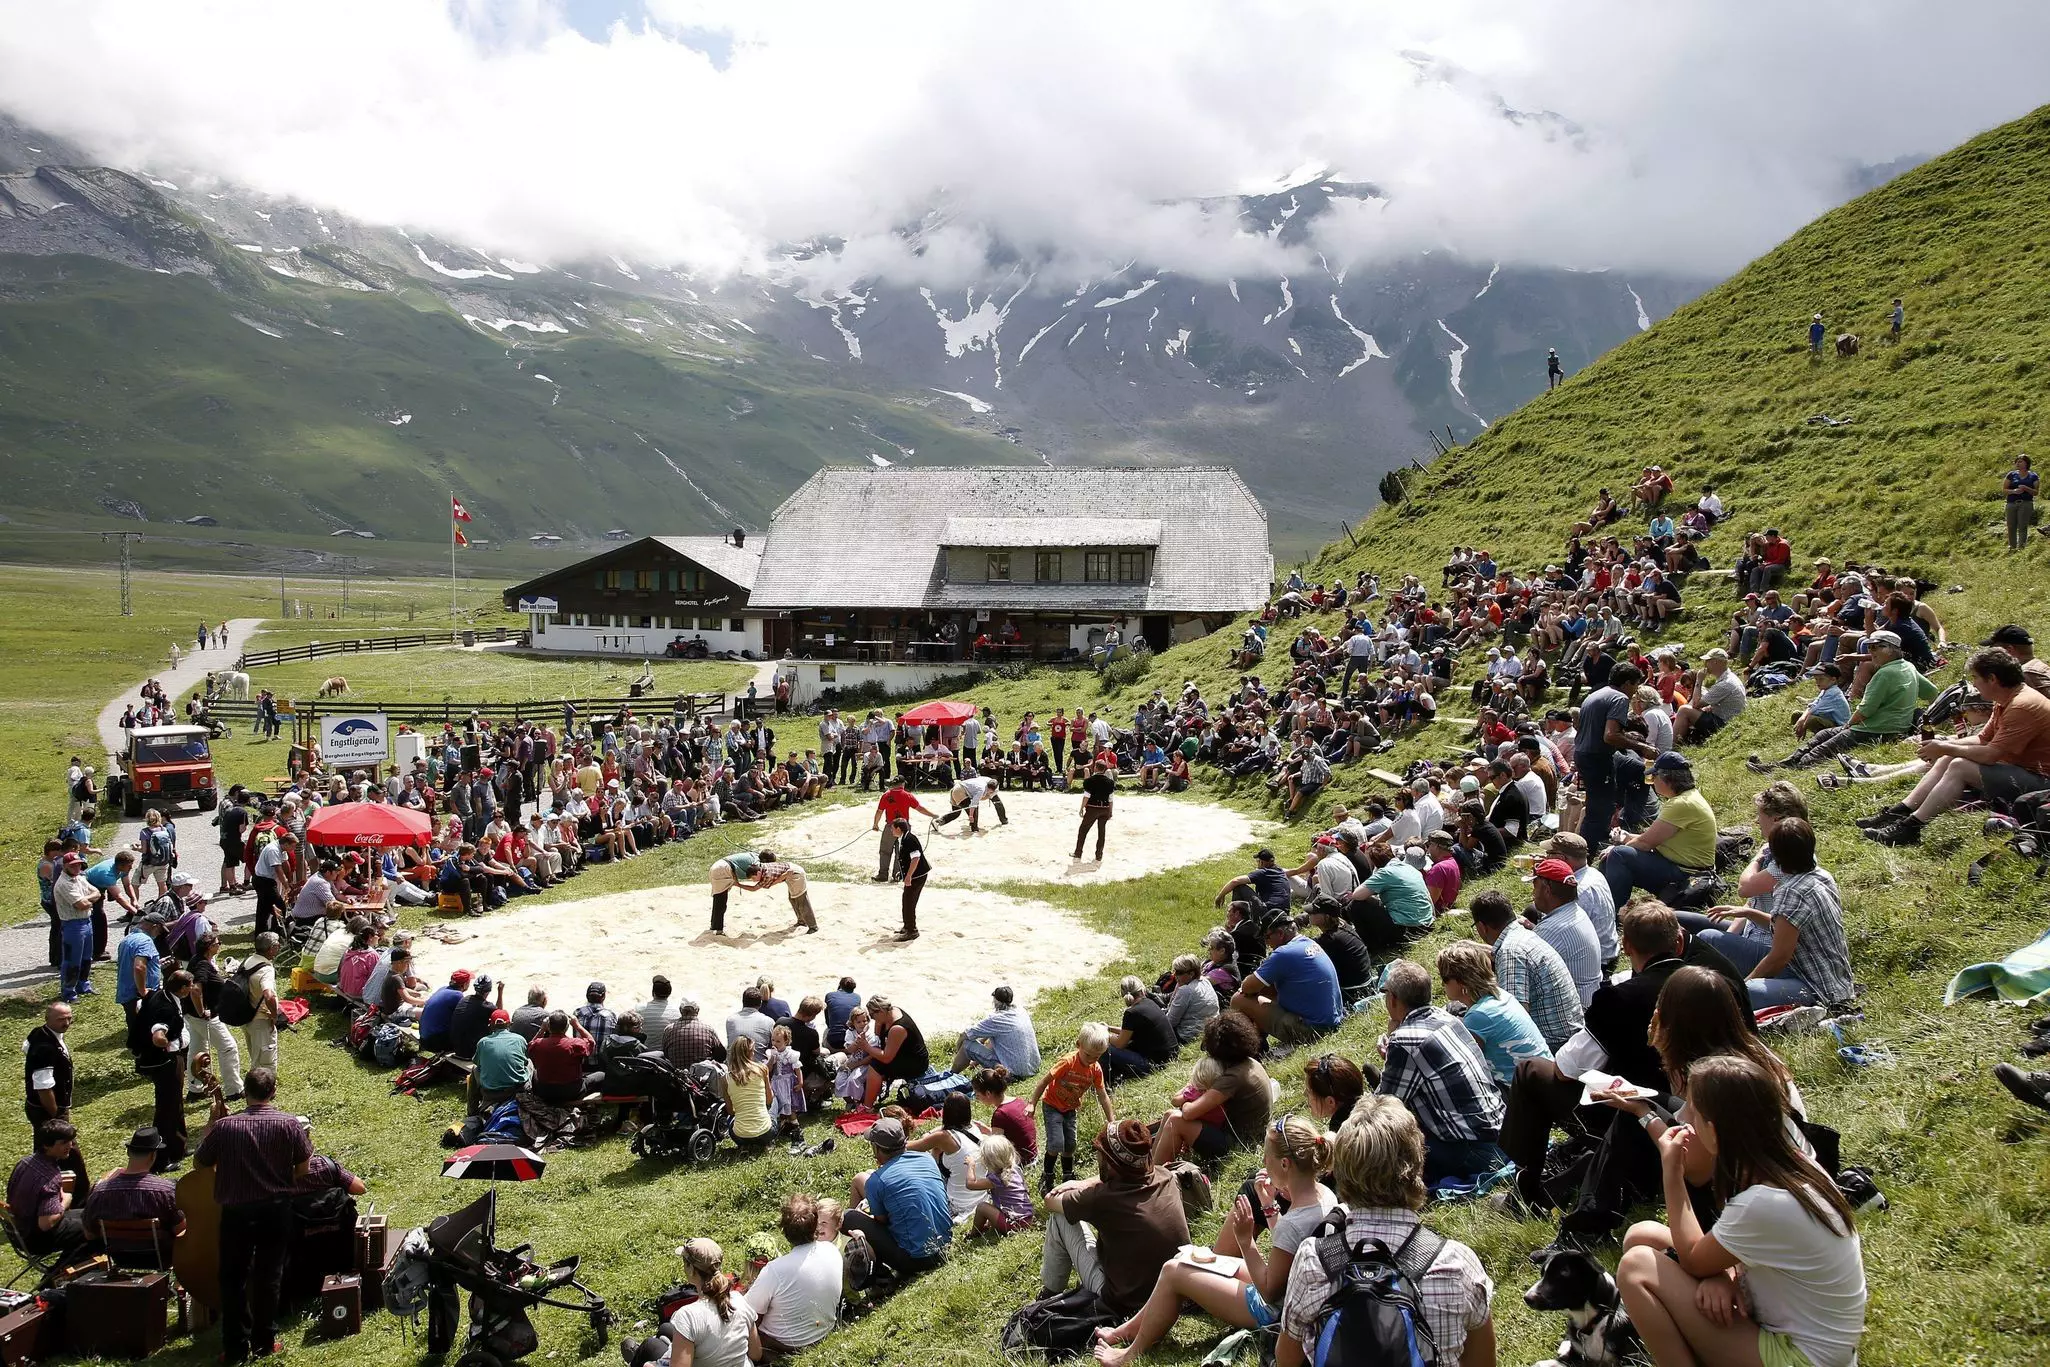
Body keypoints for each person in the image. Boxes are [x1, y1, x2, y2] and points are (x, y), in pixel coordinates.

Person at [1617, 1056, 1866, 1367]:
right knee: (1644, 1235)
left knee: (1636, 1267)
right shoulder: (1790, 1163)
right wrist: (1723, 1277)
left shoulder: (1763, 1202)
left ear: (1716, 1132)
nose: (1681, 1116)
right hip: (1820, 1343)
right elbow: (1741, 1253)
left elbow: (1694, 1260)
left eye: (1692, 1111)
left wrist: (1672, 1171)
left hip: (1802, 1358)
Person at [1090, 1116, 1336, 1365]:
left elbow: (1269, 1291)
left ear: (1285, 1164)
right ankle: (1129, 1330)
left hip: (1273, 1311)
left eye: (1267, 1155)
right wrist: (1269, 1207)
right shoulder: (1324, 1196)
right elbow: (1288, 1251)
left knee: (1174, 1271)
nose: (1263, 1161)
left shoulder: (1294, 1223)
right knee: (1185, 1257)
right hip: (1294, 1290)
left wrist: (1245, 1241)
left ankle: (1128, 1355)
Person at [1274, 1098, 1497, 1367]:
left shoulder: (1314, 1259)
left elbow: (1287, 1357)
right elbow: (1483, 1362)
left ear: (1342, 1172)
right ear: (1416, 1166)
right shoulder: (1457, 1264)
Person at [1864, 648, 2050, 845]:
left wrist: (1946, 748)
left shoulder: (2021, 706)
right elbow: (1982, 738)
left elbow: (1990, 755)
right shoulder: (2006, 699)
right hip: (2023, 771)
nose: (1974, 684)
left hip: (2042, 783)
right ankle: (1901, 811)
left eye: (1975, 677)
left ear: (1992, 679)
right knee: (1949, 757)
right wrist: (1943, 745)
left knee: (1959, 765)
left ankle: (1911, 828)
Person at [197, 1067, 313, 1363]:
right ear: (273, 1091)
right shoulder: (288, 1124)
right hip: (275, 1209)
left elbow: (200, 1164)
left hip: (236, 1211)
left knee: (232, 1278)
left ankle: (235, 1348)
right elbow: (303, 1169)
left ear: (246, 1092)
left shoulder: (225, 1126)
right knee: (269, 1275)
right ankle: (264, 1342)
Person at [1040, 1119, 1188, 1324]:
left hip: (1125, 1301)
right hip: (1175, 1291)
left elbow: (1050, 1202)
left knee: (1060, 1217)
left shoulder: (1103, 1198)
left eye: (1101, 1152)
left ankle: (1049, 1293)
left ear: (1111, 1161)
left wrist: (1081, 1185)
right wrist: (1085, 1182)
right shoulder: (1164, 1175)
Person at [1698, 819, 1856, 1009]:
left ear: (1776, 857)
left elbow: (1779, 957)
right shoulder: (1822, 876)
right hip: (1802, 967)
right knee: (1709, 938)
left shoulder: (1791, 893)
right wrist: (1748, 912)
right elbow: (1785, 929)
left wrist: (1743, 986)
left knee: (1748, 992)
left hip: (1817, 987)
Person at [1375, 960, 1506, 1182]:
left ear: (1394, 998)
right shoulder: (1447, 1017)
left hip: (1471, 1151)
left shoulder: (1404, 1040)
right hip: (1501, 1133)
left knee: (1387, 1139)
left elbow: (1385, 1105)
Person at [1148, 1011, 1271, 1165]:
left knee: (1176, 1120)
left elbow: (1188, 1113)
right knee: (1169, 1114)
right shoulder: (1248, 1062)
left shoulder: (1233, 1078)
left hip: (1239, 1144)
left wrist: (1186, 1099)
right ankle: (1150, 1165)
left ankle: (1154, 1178)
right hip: (1249, 1134)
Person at [1468, 891, 1583, 1050]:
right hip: (1570, 1034)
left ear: (1482, 927)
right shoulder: (1521, 935)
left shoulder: (1510, 952)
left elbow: (1514, 1016)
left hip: (1553, 1043)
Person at [1600, 752, 1717, 905]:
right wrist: (1627, 836)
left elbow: (1646, 843)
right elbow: (1653, 838)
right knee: (1611, 858)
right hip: (1681, 865)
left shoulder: (1681, 804)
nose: (1652, 782)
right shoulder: (1687, 798)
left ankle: (1611, 912)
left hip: (1687, 873)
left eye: (1653, 777)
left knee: (1618, 855)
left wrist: (1618, 846)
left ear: (1667, 778)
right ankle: (1606, 906)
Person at [841, 1118, 952, 1277]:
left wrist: (866, 1215)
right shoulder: (926, 1159)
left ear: (877, 1149)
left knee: (848, 1217)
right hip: (945, 1246)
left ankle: (870, 1270)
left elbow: (882, 1221)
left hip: (915, 1260)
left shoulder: (876, 1181)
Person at [622, 1237, 757, 1367]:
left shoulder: (688, 1316)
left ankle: (636, 1357)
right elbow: (756, 1354)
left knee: (649, 1346)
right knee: (665, 1328)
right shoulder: (739, 1300)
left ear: (691, 1269)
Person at [1436, 940, 1552, 1087]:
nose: (1442, 984)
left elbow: (1464, 1061)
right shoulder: (1501, 995)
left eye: (1445, 979)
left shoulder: (1478, 1016)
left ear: (1462, 982)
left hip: (1523, 1091)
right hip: (1545, 1077)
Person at [743, 1193, 841, 1356]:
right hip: (825, 1333)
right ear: (815, 1225)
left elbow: (748, 1316)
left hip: (785, 1346)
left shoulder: (774, 1270)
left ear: (785, 1231)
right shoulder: (831, 1250)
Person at [1229, 910, 1344, 1047]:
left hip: (1312, 1030)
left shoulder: (1283, 954)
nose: (1267, 943)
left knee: (1238, 999)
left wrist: (1251, 980)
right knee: (1266, 986)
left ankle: (1253, 1046)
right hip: (1331, 1021)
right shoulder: (1308, 942)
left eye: (1267, 937)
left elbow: (1248, 987)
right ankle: (1258, 1041)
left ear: (1280, 934)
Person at [1029, 1023, 1116, 1192]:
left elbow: (1102, 1095)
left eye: (1097, 1057)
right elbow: (1044, 1081)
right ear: (1079, 1045)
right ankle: (1047, 1176)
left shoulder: (1095, 1069)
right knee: (1056, 1143)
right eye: (1088, 1055)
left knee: (1070, 1145)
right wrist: (1032, 1103)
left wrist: (1111, 1120)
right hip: (1053, 1105)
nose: (1091, 1060)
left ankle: (1068, 1174)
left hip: (1070, 1109)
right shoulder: (1067, 1062)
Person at [83, 1125, 186, 1262]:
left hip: (119, 1258)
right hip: (162, 1257)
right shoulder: (166, 1191)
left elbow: (89, 1234)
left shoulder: (98, 1192)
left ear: (128, 1153)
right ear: (153, 1155)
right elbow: (181, 1231)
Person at [127, 967, 190, 1170]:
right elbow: (158, 1036)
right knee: (167, 1109)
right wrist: (168, 1047)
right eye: (190, 985)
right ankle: (161, 1158)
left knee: (175, 1104)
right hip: (167, 1062)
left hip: (167, 1060)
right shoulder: (166, 1008)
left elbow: (139, 1005)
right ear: (183, 989)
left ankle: (178, 1146)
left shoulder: (157, 994)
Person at [1522, 859, 1604, 1006]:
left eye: (1535, 886)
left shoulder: (1551, 929)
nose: (1533, 893)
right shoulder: (1576, 912)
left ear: (1547, 890)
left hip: (1575, 1010)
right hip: (1590, 998)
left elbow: (1520, 968)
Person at [8, 1119, 92, 1259]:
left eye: (71, 1140)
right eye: (63, 1143)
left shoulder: (24, 1162)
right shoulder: (49, 1177)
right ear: (47, 1145)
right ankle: (58, 1275)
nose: (70, 1146)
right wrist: (66, 1199)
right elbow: (46, 1223)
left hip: (19, 1230)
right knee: (97, 1229)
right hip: (37, 1239)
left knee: (91, 1216)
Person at [951, 985, 1043, 1077]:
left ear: (995, 1001)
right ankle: (966, 1066)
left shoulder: (995, 1019)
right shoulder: (1021, 1011)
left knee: (966, 1045)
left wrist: (959, 1053)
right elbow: (991, 1034)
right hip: (1033, 1067)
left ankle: (951, 1075)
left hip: (1012, 1073)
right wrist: (976, 1060)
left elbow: (964, 1035)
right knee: (997, 1038)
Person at [1103, 977, 1177, 1083]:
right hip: (1170, 1057)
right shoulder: (1149, 1003)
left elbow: (1120, 1043)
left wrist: (1104, 1035)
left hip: (1155, 1064)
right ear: (1142, 990)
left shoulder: (1132, 1013)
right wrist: (1108, 1028)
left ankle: (1106, 1082)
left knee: (1104, 1048)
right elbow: (1129, 1032)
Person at [528, 1012, 602, 1106]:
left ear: (548, 1026)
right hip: (571, 1092)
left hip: (544, 1092)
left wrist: (542, 1029)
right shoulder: (575, 1044)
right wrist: (577, 1025)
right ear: (567, 1027)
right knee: (601, 1075)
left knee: (534, 1072)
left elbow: (530, 1046)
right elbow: (591, 1042)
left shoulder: (538, 1044)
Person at [52, 853, 97, 1003]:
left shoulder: (80, 879)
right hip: (73, 925)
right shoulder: (63, 884)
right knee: (72, 961)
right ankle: (68, 992)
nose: (77, 867)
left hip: (86, 921)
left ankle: (83, 984)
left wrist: (87, 900)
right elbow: (81, 905)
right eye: (73, 865)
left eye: (78, 864)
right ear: (65, 866)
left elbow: (97, 892)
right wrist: (89, 901)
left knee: (86, 957)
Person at [871, 777, 935, 882]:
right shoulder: (908, 795)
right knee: (900, 853)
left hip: (891, 826)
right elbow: (920, 808)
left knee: (885, 851)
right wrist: (933, 815)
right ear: (902, 784)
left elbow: (879, 811)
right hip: (904, 827)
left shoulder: (886, 795)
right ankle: (898, 875)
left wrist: (875, 824)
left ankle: (883, 874)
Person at [722, 1036, 776, 1149]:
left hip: (739, 1136)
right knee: (775, 1101)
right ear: (751, 1052)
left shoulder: (725, 1078)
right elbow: (769, 1100)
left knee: (732, 1120)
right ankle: (767, 1143)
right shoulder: (762, 1069)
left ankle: (745, 1145)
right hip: (766, 1132)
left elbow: (731, 1111)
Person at [473, 1010, 529, 1112]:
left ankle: (472, 1110)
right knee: (530, 1063)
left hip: (492, 1092)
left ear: (491, 1025)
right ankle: (531, 1098)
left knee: (474, 1069)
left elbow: (477, 1063)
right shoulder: (520, 1039)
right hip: (517, 1090)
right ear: (510, 1024)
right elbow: (525, 1062)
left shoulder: (483, 1042)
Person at [1163, 954, 1220, 1045]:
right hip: (1208, 1031)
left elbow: (1170, 1022)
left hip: (1187, 1035)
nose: (1175, 975)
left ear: (1191, 974)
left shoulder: (1186, 991)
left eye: (1179, 972)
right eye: (1174, 971)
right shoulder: (1205, 981)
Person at [661, 997, 728, 1070]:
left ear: (680, 1010)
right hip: (702, 1078)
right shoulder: (708, 1030)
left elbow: (665, 1055)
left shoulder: (668, 1030)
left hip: (677, 1078)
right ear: (697, 1010)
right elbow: (721, 1055)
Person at [890, 817, 930, 941]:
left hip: (917, 876)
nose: (891, 831)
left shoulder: (909, 839)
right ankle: (907, 926)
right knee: (906, 900)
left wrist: (909, 876)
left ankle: (912, 931)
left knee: (909, 902)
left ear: (898, 828)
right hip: (915, 875)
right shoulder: (904, 838)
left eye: (892, 828)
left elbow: (916, 858)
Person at [706, 849, 763, 936]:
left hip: (718, 866)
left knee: (719, 899)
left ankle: (715, 925)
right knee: (720, 901)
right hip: (723, 869)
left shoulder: (753, 855)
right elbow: (756, 875)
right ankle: (717, 928)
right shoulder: (756, 862)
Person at [417, 969, 472, 1054]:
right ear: (465, 984)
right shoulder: (457, 995)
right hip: (433, 1043)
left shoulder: (443, 989)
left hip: (423, 1037)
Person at [450, 975, 501, 1059]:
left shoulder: (465, 999)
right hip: (471, 1052)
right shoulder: (486, 1006)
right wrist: (500, 991)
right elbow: (500, 1015)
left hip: (456, 1048)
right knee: (499, 1027)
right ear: (489, 990)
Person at [1074, 761, 1117, 863]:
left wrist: (1081, 808)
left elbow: (1086, 796)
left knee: (1083, 830)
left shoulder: (1090, 781)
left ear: (1096, 768)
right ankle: (1099, 855)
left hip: (1093, 808)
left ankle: (1078, 853)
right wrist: (1110, 811)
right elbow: (1110, 799)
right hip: (1105, 808)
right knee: (1101, 832)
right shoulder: (1110, 782)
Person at [2006, 452, 2038, 553]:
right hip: (2011, 503)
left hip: (2026, 503)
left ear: (2026, 463)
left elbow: (2036, 492)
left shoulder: (2033, 476)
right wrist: (2013, 491)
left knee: (2022, 526)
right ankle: (2012, 547)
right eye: (2017, 462)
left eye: (2020, 461)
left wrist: (2026, 488)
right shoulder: (2011, 475)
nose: (2018, 463)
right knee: (2011, 526)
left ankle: (2021, 548)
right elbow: (2004, 489)